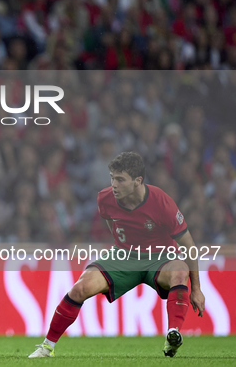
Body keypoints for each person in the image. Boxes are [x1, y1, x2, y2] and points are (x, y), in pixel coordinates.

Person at [29, 151, 206, 358]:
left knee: (180, 269)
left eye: (120, 180)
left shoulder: (161, 202)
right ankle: (46, 347)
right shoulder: (105, 199)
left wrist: (197, 289)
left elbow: (189, 246)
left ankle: (172, 334)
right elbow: (113, 224)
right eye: (112, 178)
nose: (114, 184)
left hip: (160, 257)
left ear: (137, 181)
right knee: (80, 288)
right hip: (124, 255)